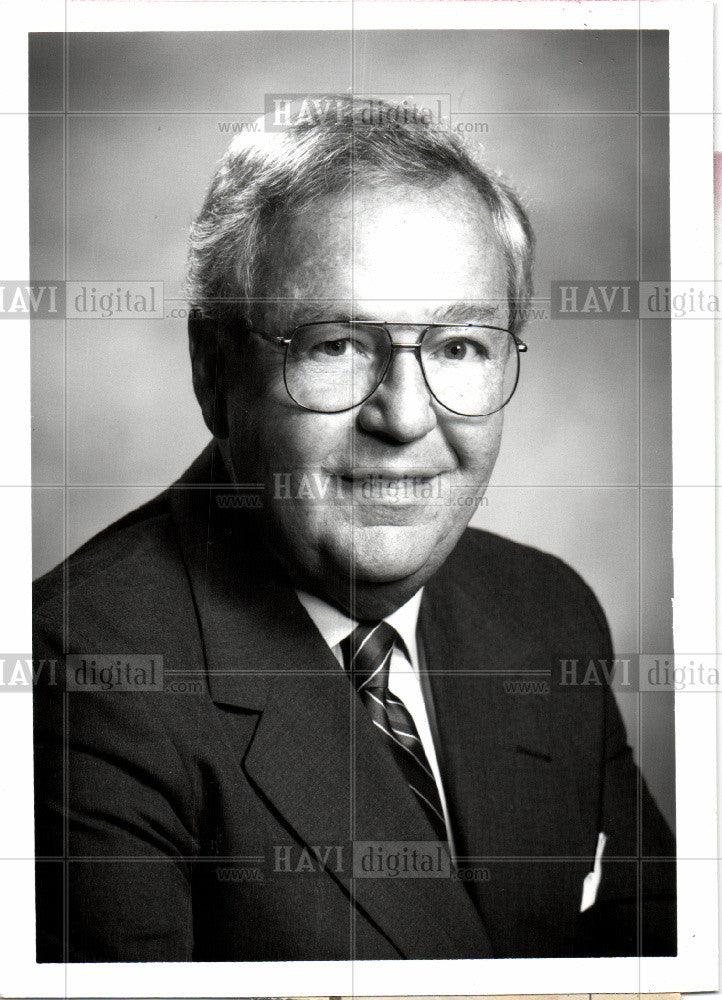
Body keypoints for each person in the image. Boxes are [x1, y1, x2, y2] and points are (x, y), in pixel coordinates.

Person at [33, 97, 675, 962]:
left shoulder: (544, 610)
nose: (406, 418)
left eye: (459, 345)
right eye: (336, 345)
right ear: (214, 372)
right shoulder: (83, 675)